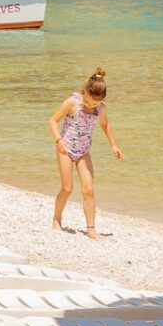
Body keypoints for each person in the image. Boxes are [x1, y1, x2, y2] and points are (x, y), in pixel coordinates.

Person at [50, 68, 125, 236]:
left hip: (84, 151)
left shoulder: (101, 108)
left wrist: (114, 145)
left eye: (96, 103)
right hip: (65, 149)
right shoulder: (72, 103)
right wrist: (59, 140)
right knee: (67, 188)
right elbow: (53, 121)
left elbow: (105, 125)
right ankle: (56, 219)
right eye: (90, 102)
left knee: (88, 190)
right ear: (84, 92)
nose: (92, 105)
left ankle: (91, 229)